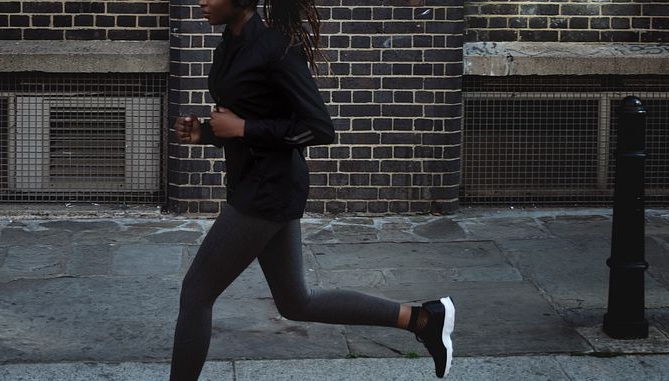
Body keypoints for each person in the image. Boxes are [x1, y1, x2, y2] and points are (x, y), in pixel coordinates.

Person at [168, 0, 456, 380]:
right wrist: (206, 132)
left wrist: (243, 129)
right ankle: (423, 319)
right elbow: (252, 112)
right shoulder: (229, 44)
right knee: (295, 302)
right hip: (254, 183)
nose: (202, 1)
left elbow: (319, 127)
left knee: (196, 293)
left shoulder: (275, 47)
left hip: (268, 189)